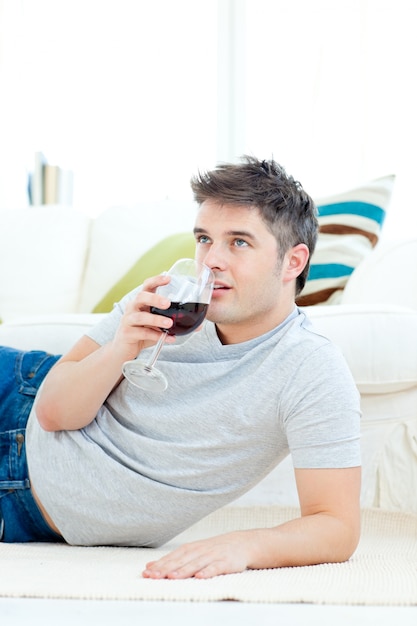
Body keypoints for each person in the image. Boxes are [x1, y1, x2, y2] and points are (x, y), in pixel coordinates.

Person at [0, 156, 361, 579]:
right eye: (205, 239)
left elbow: (337, 526)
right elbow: (53, 413)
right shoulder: (167, 298)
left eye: (239, 242)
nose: (211, 260)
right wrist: (123, 347)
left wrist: (245, 545)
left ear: (293, 262)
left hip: (22, 510)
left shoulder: (311, 371)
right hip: (19, 398)